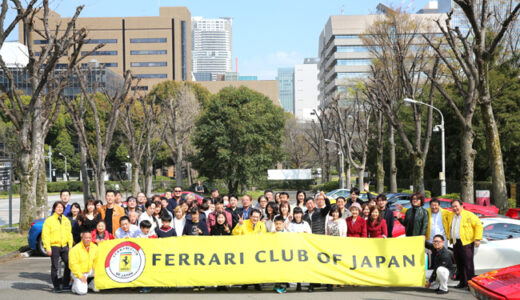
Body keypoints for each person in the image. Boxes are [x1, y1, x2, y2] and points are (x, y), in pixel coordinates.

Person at [448, 199, 483, 289]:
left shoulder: (469, 215)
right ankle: (462, 283)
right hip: (456, 242)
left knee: (468, 264)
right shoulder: (452, 215)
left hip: (466, 242)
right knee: (459, 264)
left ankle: (471, 285)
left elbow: (478, 225)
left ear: (462, 206)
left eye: (456, 206)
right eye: (453, 207)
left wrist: (477, 239)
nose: (455, 208)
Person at [42, 201, 73, 293]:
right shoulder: (49, 220)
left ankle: (65, 284)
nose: (60, 208)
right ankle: (56, 286)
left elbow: (69, 234)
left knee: (68, 265)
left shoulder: (66, 220)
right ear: (54, 208)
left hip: (64, 246)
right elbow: (45, 235)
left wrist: (70, 245)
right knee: (55, 266)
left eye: (61, 207)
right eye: (58, 207)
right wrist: (47, 247)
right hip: (54, 246)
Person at [232, 208, 265, 291]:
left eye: (257, 217)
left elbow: (264, 238)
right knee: (245, 267)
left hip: (256, 250)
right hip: (245, 249)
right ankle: (245, 282)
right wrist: (239, 225)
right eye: (253, 216)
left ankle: (257, 283)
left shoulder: (261, 225)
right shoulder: (243, 222)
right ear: (250, 216)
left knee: (256, 268)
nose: (255, 219)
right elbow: (235, 234)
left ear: (260, 217)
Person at [69, 231, 98, 295]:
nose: (88, 239)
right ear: (82, 238)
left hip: (89, 270)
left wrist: (95, 270)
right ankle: (74, 286)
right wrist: (80, 276)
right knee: (82, 291)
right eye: (86, 238)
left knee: (97, 288)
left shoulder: (94, 247)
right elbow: (73, 265)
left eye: (89, 238)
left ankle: (91, 285)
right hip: (79, 272)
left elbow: (96, 261)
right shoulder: (75, 249)